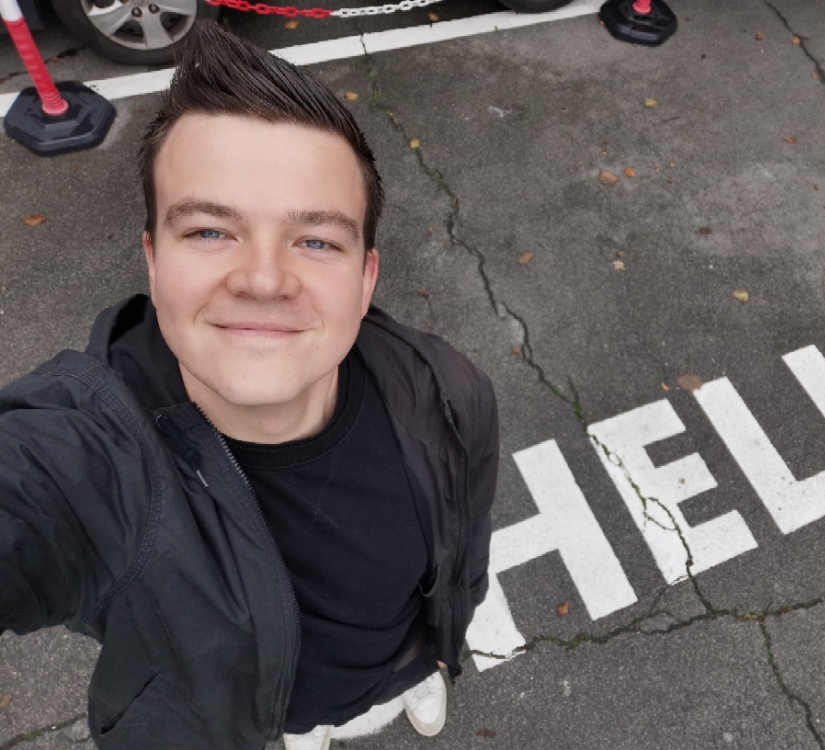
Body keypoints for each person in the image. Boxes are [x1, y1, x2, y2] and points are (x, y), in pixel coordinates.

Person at [0, 21, 498, 750]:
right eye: (209, 231)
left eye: (317, 240)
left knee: (409, 674)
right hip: (272, 720)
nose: (264, 279)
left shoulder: (449, 388)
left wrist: (445, 642)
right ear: (152, 259)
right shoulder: (88, 459)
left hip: (410, 658)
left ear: (365, 280)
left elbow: (467, 549)